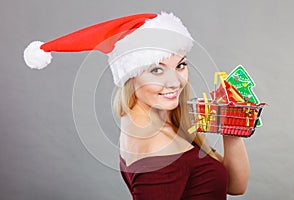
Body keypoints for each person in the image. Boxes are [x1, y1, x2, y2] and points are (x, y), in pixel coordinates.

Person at [24, 12, 250, 199]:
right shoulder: (155, 145)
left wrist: (230, 128)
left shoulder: (164, 121)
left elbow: (235, 186)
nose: (175, 82)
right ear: (130, 77)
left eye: (180, 65)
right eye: (156, 70)